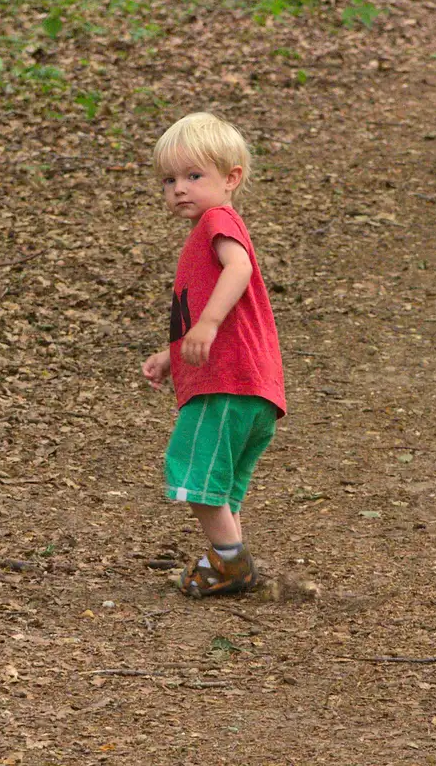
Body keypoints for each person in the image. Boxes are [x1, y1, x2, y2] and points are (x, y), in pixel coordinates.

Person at [142, 112, 286, 597]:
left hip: (228, 381)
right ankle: (232, 563)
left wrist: (207, 324)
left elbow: (239, 269)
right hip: (249, 385)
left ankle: (231, 564)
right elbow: (200, 307)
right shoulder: (207, 227)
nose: (179, 188)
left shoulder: (218, 221)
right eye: (169, 179)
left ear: (231, 179)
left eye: (194, 175)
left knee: (192, 471)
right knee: (219, 482)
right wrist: (172, 353)